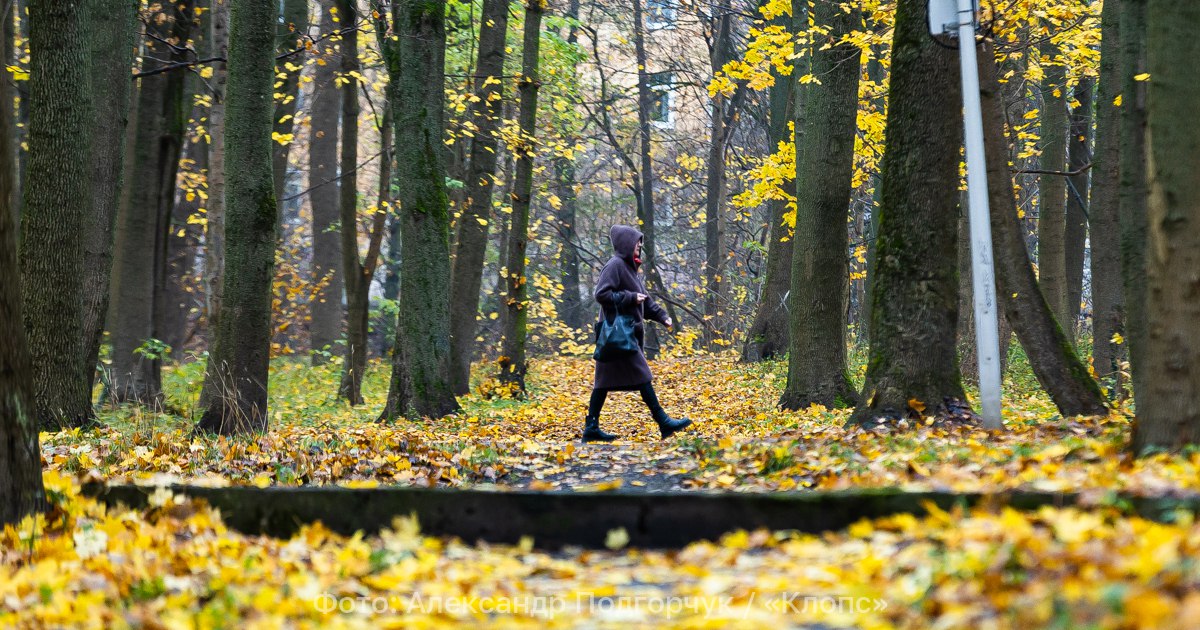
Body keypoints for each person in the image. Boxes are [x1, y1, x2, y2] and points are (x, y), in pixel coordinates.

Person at [584, 224, 692, 442]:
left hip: (622, 335)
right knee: (642, 376)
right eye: (636, 241)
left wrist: (663, 317)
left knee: (603, 383)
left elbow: (645, 299)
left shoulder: (629, 268)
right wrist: (629, 298)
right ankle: (664, 422)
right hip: (616, 333)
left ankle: (591, 428)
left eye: (640, 242)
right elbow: (601, 294)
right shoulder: (615, 265)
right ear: (625, 243)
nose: (640, 245)